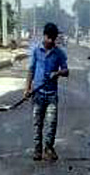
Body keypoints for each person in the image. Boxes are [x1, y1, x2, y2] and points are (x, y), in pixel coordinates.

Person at [26, 22, 69, 161]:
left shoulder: (59, 53)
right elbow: (31, 70)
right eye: (48, 37)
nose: (50, 41)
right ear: (44, 36)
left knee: (51, 123)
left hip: (51, 95)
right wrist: (27, 88)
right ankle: (37, 150)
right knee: (37, 123)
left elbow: (66, 71)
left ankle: (48, 148)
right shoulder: (36, 51)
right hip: (38, 94)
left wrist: (57, 73)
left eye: (53, 38)